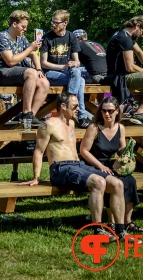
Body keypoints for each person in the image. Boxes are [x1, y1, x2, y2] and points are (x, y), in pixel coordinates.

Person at [20, 92, 127, 240]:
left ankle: (121, 231)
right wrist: (36, 178)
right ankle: (98, 231)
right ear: (63, 106)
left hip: (78, 165)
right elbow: (38, 151)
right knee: (99, 182)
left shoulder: (71, 123)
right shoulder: (48, 124)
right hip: (60, 168)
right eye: (75, 106)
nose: (78, 108)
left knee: (117, 184)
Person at [79, 97, 143, 237]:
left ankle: (127, 220)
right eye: (104, 111)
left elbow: (120, 151)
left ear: (117, 111)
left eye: (110, 111)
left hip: (112, 163)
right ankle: (112, 222)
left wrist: (129, 148)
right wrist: (100, 166)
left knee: (129, 181)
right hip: (94, 164)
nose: (107, 114)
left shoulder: (120, 128)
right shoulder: (94, 128)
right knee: (112, 181)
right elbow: (84, 151)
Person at [0, 10, 49, 123]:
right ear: (14, 24)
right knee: (31, 73)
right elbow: (10, 61)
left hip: (15, 73)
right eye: (23, 26)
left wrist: (39, 69)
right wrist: (30, 48)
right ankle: (26, 112)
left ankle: (30, 117)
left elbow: (33, 54)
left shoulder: (21, 38)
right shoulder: (2, 37)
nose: (25, 29)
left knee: (44, 83)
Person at [105, 15, 143, 127]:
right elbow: (130, 67)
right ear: (137, 26)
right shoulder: (124, 39)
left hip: (120, 75)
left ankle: (139, 113)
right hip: (119, 78)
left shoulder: (124, 35)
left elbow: (139, 53)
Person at [41, 10, 90, 128]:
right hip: (51, 73)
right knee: (80, 81)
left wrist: (74, 63)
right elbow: (43, 63)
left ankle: (69, 105)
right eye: (52, 22)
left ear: (65, 23)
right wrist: (63, 66)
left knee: (77, 72)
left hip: (68, 73)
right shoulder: (47, 38)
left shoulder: (71, 36)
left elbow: (77, 61)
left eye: (56, 23)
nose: (54, 25)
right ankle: (80, 114)